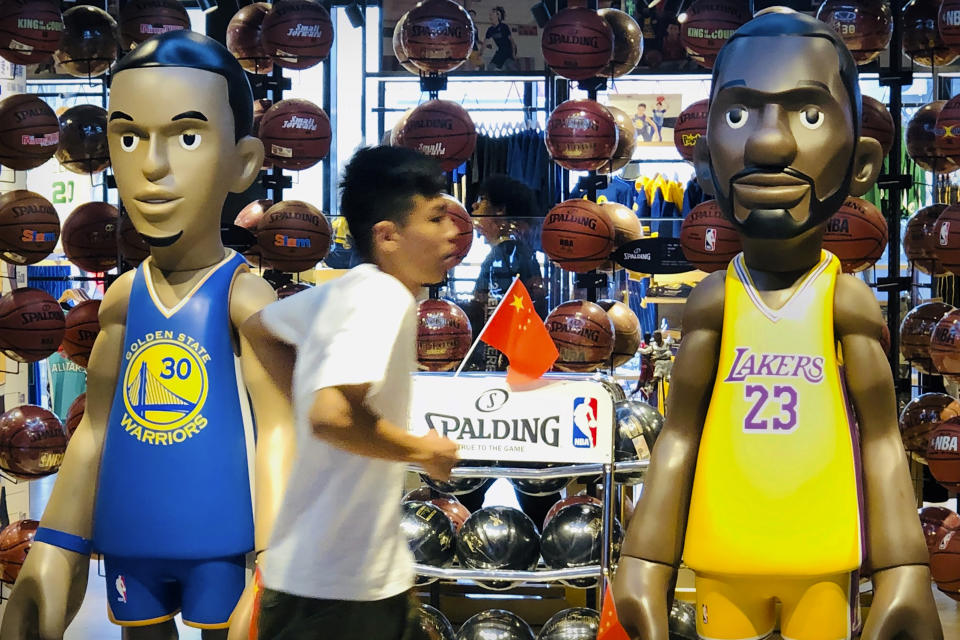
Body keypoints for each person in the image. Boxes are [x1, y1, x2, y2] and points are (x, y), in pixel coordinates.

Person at [613, 10, 943, 640]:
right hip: (724, 546)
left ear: (864, 165)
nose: (769, 144)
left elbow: (880, 441)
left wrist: (904, 568)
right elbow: (678, 437)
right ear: (706, 159)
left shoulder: (845, 303)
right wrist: (642, 560)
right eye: (739, 115)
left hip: (819, 550)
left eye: (809, 114)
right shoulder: (714, 301)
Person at [2, 30, 294, 640]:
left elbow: (280, 434)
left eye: (187, 137)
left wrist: (276, 562)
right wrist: (56, 545)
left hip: (222, 535)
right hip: (134, 534)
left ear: (243, 162)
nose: (153, 168)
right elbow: (97, 431)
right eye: (129, 138)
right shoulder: (123, 298)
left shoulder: (245, 296)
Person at [240, 145, 461, 640]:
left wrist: (307, 396)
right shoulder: (380, 297)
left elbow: (259, 328)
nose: (452, 233)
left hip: (350, 576)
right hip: (336, 592)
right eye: (436, 218)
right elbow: (332, 417)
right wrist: (423, 450)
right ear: (388, 236)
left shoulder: (345, 290)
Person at [484, 6, 518, 72]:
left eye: (496, 13)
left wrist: (513, 53)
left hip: (509, 50)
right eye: (491, 14)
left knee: (510, 66)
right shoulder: (490, 29)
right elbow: (485, 42)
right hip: (501, 51)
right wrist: (481, 51)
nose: (491, 16)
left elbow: (512, 42)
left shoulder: (504, 27)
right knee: (491, 67)